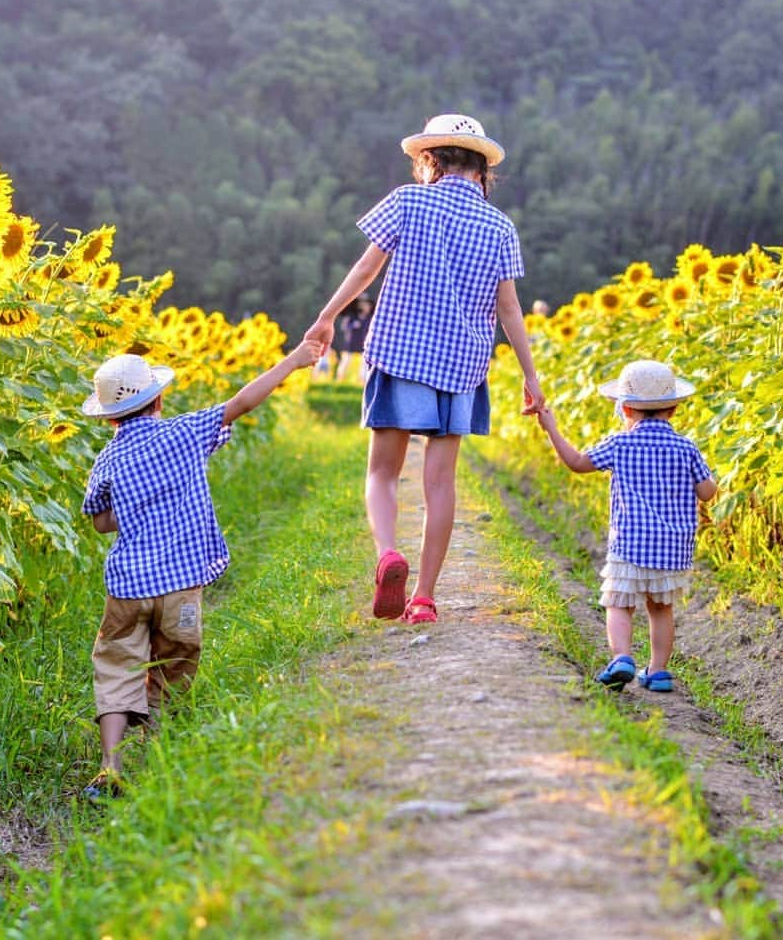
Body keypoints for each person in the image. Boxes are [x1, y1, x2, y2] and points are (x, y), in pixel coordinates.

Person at [304, 113, 544, 625]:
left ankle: (389, 553)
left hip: (402, 351)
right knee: (440, 483)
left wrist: (327, 317)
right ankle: (425, 598)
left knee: (383, 474)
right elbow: (509, 311)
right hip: (463, 364)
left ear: (429, 161)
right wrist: (531, 376)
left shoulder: (408, 201)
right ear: (482, 170)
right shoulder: (500, 226)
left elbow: (367, 268)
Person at [79, 341, 319, 799]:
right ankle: (158, 750)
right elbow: (242, 403)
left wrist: (134, 505)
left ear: (110, 417)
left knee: (117, 665)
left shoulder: (107, 459)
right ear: (158, 399)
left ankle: (110, 765)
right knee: (174, 663)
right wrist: (293, 361)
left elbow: (100, 521)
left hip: (128, 586)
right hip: (181, 586)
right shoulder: (185, 433)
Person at [535, 359, 717, 692]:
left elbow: (577, 463)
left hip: (630, 544)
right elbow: (707, 492)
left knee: (619, 603)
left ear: (626, 409)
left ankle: (622, 657)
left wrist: (552, 429)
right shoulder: (686, 446)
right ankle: (658, 671)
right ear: (673, 409)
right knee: (661, 608)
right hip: (672, 548)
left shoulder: (619, 444)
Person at [335, 291, 374, 382]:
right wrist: (353, 325)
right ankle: (340, 378)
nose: (365, 307)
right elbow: (344, 326)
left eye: (366, 305)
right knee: (346, 360)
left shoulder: (370, 318)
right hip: (351, 343)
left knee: (364, 363)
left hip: (363, 343)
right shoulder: (352, 316)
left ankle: (362, 380)